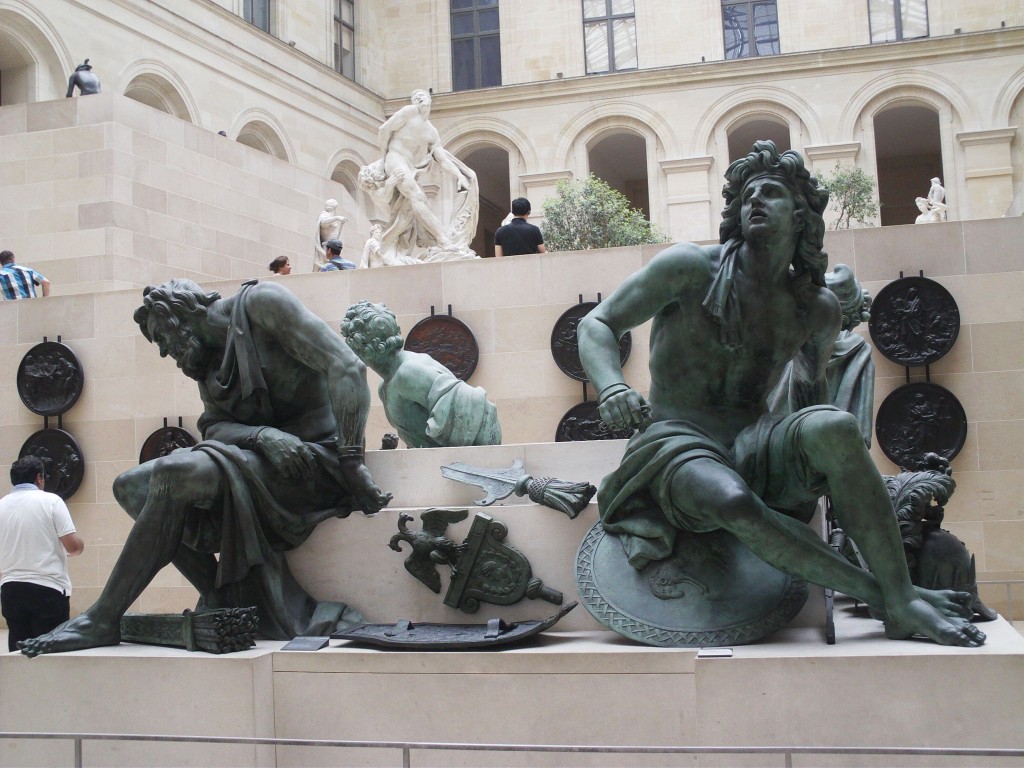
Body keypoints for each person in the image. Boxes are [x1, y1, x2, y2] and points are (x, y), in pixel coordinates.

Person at [577, 140, 984, 647]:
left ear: (800, 215)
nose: (755, 201)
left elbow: (811, 398)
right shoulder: (688, 269)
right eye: (748, 194)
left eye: (770, 193)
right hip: (674, 443)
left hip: (754, 442)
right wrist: (613, 384)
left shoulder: (815, 310)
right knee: (730, 498)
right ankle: (889, 598)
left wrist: (824, 450)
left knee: (834, 428)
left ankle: (901, 595)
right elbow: (597, 323)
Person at [18, 278, 392, 656]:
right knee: (128, 487)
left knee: (172, 474)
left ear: (180, 317)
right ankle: (217, 593)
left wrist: (351, 461)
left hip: (315, 461)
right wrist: (262, 434)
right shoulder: (207, 367)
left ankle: (103, 618)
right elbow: (214, 426)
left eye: (161, 338)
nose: (164, 352)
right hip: (261, 459)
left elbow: (345, 366)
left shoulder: (262, 306)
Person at [340, 300, 501, 448]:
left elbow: (476, 408)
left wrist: (481, 462)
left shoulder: (408, 372)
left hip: (466, 466)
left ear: (366, 347)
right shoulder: (385, 387)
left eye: (352, 345)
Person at [359, 89, 479, 263]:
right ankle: (443, 239)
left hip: (409, 167)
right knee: (418, 197)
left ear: (430, 99)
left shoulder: (432, 132)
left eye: (423, 95)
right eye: (416, 97)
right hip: (395, 159)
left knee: (410, 209)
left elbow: (442, 159)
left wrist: (458, 175)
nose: (419, 98)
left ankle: (431, 241)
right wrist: (384, 158)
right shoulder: (409, 112)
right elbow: (384, 129)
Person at [0, 456, 85, 652]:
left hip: (11, 590)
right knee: (50, 657)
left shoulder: (1, 506)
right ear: (39, 478)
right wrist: (80, 546)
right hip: (48, 589)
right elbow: (72, 546)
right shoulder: (51, 501)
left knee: (18, 654)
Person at [315, 199, 346, 267]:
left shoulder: (330, 216)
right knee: (328, 266)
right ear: (333, 208)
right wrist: (337, 218)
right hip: (328, 247)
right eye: (336, 208)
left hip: (335, 247)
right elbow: (323, 223)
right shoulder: (324, 215)